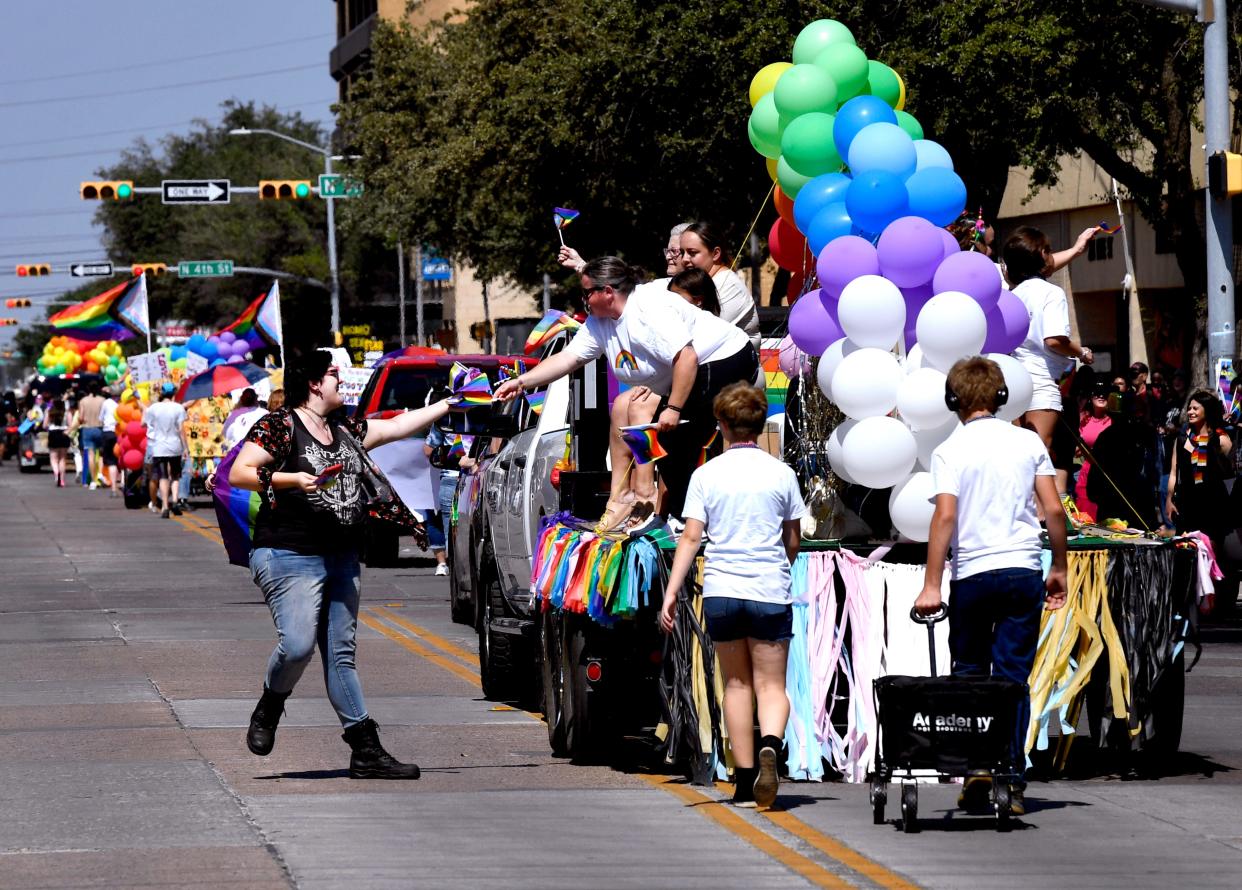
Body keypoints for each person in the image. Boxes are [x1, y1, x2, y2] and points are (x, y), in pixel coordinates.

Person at [230, 350, 450, 779]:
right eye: (334, 375)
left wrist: (447, 405)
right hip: (288, 552)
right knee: (297, 646)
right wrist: (294, 479)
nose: (341, 382)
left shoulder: (344, 429)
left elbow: (394, 427)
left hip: (342, 555)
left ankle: (365, 749)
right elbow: (241, 471)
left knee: (341, 656)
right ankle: (270, 705)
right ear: (314, 383)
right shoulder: (279, 426)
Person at [494, 256, 758, 531]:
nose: (582, 299)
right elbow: (569, 358)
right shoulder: (601, 322)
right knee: (662, 436)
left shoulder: (647, 309)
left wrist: (674, 408)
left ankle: (688, 519)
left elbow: (687, 357)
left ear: (608, 292)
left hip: (727, 359)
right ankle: (682, 515)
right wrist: (522, 382)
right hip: (692, 369)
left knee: (674, 434)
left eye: (586, 293)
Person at [915, 356, 1068, 817]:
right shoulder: (1027, 442)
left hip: (974, 575)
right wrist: (1058, 565)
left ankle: (977, 766)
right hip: (1022, 569)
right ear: (1002, 398)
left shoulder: (950, 449)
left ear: (952, 401)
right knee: (1012, 678)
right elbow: (1054, 511)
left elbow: (945, 516)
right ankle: (1012, 778)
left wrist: (931, 583)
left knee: (969, 674)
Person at [659, 383, 805, 808]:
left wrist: (671, 593)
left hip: (722, 590)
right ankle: (772, 748)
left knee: (736, 685)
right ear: (759, 425)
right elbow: (791, 538)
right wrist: (781, 566)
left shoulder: (707, 475)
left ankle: (743, 784)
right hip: (768, 588)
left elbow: (690, 537)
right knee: (771, 685)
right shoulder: (782, 474)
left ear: (721, 424)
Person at [1002, 226, 1095, 494]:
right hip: (1040, 382)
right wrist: (1082, 352)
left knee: (1018, 456)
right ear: (1041, 254)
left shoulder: (1012, 294)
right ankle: (1042, 519)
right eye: (1048, 250)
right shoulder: (1051, 293)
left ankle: (1024, 515)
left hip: (1012, 380)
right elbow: (1054, 340)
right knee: (1038, 455)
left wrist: (1077, 249)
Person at [678, 222, 761, 349]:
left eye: (692, 253)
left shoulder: (730, 287)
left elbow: (703, 338)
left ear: (715, 254)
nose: (684, 259)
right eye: (682, 252)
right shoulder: (700, 285)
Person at [1167, 391, 1234, 546]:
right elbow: (1173, 473)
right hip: (1187, 504)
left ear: (1207, 410)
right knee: (1186, 549)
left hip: (1213, 505)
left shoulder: (1221, 440)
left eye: (1195, 408)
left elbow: (1231, 473)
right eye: (1189, 408)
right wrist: (1169, 500)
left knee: (1211, 553)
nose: (1190, 412)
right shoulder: (1182, 439)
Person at [1087, 391, 1158, 530]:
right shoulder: (1106, 437)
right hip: (1116, 507)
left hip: (1136, 508)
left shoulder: (1145, 435)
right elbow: (1095, 477)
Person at [142, 382, 189, 518]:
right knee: (175, 475)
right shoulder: (178, 408)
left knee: (163, 475)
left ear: (161, 393)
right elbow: (181, 430)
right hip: (175, 445)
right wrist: (185, 448)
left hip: (159, 446)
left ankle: (164, 506)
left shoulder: (153, 408)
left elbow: (147, 424)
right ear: (174, 393)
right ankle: (174, 500)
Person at [1074, 381, 1113, 522]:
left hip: (1109, 473)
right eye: (1097, 392)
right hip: (1088, 472)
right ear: (1090, 397)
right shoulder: (1083, 418)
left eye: (1105, 392)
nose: (1101, 395)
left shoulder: (1114, 420)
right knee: (1086, 518)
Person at [77, 383, 105, 488]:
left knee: (90, 455)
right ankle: (100, 474)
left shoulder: (83, 401)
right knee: (101, 454)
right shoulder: (102, 400)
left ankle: (93, 480)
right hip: (99, 428)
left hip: (87, 429)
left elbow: (80, 417)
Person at [44, 399, 71, 487]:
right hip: (64, 433)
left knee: (53, 459)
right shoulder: (67, 412)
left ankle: (56, 473)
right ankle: (62, 480)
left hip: (53, 433)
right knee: (62, 458)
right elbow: (70, 425)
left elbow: (45, 425)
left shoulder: (49, 412)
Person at [99, 386, 120, 497]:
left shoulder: (106, 403)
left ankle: (113, 488)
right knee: (120, 461)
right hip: (120, 433)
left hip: (108, 432)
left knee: (111, 461)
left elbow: (101, 418)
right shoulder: (122, 403)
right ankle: (122, 483)